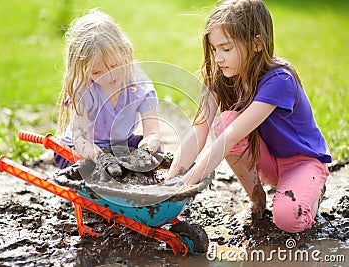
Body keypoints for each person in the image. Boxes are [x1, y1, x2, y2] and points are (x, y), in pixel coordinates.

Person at [166, 0, 331, 233]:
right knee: (225, 121)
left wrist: (186, 185)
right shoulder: (222, 78)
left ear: (256, 44)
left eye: (226, 49)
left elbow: (230, 139)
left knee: (288, 220)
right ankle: (257, 198)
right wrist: (170, 183)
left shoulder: (279, 80)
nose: (219, 58)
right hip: (267, 160)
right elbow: (198, 130)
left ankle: (312, 193)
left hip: (301, 162)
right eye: (215, 50)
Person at [55, 9, 161, 170]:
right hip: (84, 149)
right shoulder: (83, 87)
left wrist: (144, 152)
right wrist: (102, 159)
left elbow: (153, 133)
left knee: (157, 154)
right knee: (85, 168)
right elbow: (80, 137)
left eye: (114, 65)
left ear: (124, 52)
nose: (108, 76)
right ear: (83, 70)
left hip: (122, 144)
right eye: (96, 72)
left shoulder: (137, 82)